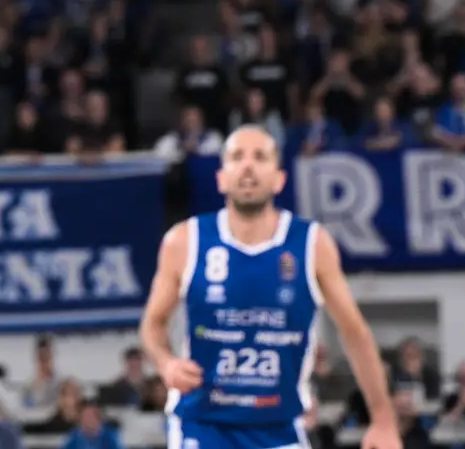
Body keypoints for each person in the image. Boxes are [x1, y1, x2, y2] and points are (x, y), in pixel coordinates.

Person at [140, 128, 401, 449]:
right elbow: (152, 324)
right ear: (221, 178)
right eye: (237, 157)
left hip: (279, 428)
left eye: (260, 157)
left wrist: (383, 419)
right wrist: (166, 363)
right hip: (203, 425)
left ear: (279, 179)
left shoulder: (311, 244)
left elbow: (355, 333)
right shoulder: (184, 241)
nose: (248, 166)